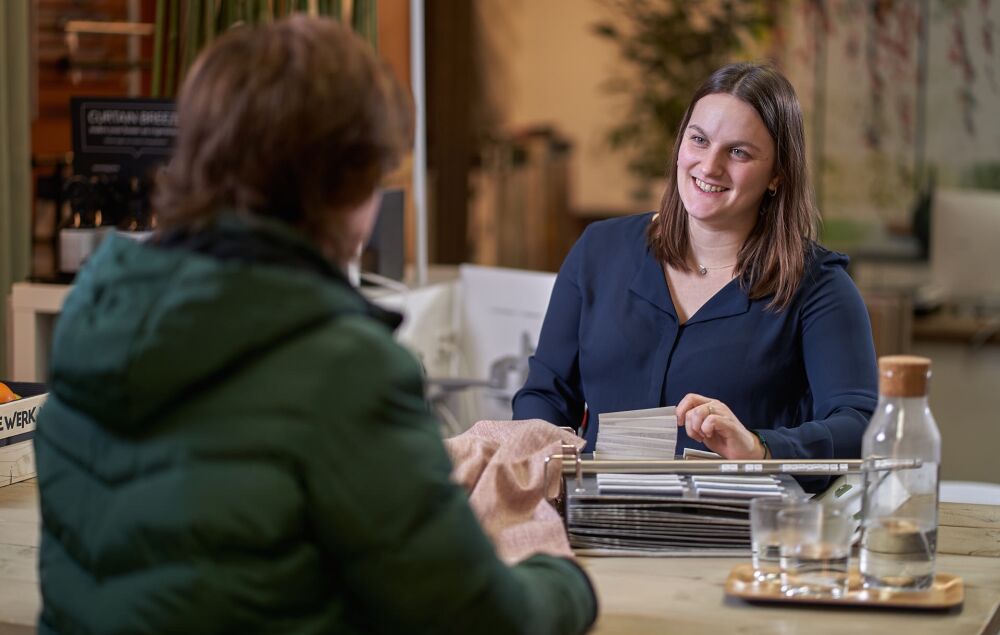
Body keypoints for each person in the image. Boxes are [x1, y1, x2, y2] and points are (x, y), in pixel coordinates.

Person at [34, 17, 596, 635]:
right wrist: (563, 581)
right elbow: (474, 617)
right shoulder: (342, 365)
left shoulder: (98, 304)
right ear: (346, 184)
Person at [512, 62, 878, 481]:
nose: (709, 166)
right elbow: (545, 392)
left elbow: (860, 428)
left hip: (738, 536)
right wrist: (549, 446)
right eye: (699, 140)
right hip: (592, 527)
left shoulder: (820, 289)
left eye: (738, 152)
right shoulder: (599, 251)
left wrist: (759, 448)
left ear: (778, 174)